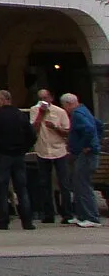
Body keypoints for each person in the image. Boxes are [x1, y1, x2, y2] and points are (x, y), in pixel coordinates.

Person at [0, 89, 35, 231]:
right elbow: (31, 135)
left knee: (2, 190)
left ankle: (3, 221)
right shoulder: (20, 115)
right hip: (18, 156)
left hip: (2, 156)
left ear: (3, 100)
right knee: (22, 189)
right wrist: (24, 148)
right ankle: (27, 221)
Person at [29, 89, 71, 225]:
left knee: (63, 183)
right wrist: (40, 115)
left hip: (59, 150)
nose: (43, 101)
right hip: (43, 150)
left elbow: (67, 132)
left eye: (45, 98)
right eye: (40, 98)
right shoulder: (34, 110)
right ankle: (48, 213)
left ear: (51, 98)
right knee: (44, 183)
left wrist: (55, 128)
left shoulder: (60, 112)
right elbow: (33, 131)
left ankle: (67, 213)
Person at [59, 94, 101, 227]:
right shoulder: (84, 110)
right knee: (78, 184)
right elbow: (98, 125)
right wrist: (96, 141)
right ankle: (82, 215)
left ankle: (91, 217)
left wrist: (86, 145)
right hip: (84, 154)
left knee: (83, 185)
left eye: (64, 106)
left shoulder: (77, 114)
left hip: (85, 155)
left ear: (67, 104)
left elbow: (89, 129)